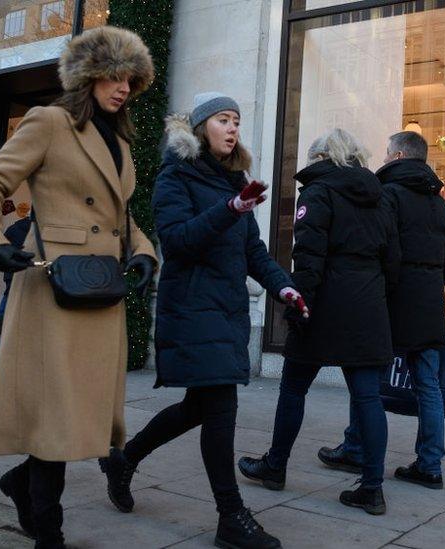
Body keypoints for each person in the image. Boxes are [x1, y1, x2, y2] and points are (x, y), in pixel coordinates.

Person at [0, 27, 157, 549]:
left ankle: (19, 485)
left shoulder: (119, 141)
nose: (122, 88)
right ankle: (49, 532)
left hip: (101, 290)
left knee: (76, 417)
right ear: (88, 77)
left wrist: (142, 252)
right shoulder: (49, 122)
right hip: (53, 285)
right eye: (113, 76)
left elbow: (122, 214)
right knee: (55, 419)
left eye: (130, 80)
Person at [95, 92, 298, 549]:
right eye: (223, 119)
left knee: (198, 408)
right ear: (201, 126)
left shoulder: (234, 180)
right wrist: (230, 210)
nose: (232, 128)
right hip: (190, 307)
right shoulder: (176, 175)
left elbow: (252, 252)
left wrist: (283, 287)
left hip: (225, 309)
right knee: (220, 409)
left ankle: (123, 461)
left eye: (237, 121)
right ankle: (230, 515)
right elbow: (178, 241)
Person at [237, 129, 399, 516]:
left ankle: (275, 466)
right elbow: (393, 261)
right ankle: (372, 488)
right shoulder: (381, 197)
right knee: (368, 398)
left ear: (322, 157)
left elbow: (308, 258)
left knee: (294, 388)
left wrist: (296, 305)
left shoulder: (317, 192)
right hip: (368, 305)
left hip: (325, 304)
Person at [315, 131, 445, 489]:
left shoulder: (387, 195)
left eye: (387, 152)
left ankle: (357, 447)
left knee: (368, 379)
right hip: (427, 304)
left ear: (396, 156)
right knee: (429, 386)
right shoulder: (443, 206)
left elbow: (380, 246)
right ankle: (430, 465)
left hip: (390, 299)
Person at [0, 211, 32, 334]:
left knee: (8, 294)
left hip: (11, 268)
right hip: (28, 268)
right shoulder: (35, 230)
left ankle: (0, 319)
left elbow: (1, 245)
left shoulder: (13, 228)